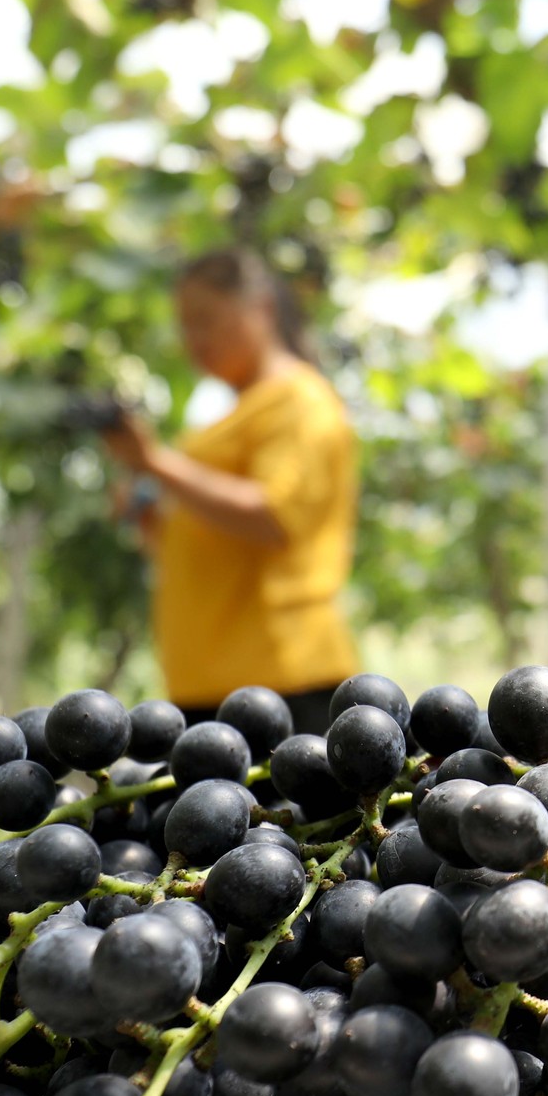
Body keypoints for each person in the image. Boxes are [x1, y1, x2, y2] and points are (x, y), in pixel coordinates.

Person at [101, 248, 360, 733]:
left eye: (204, 319)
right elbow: (203, 547)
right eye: (183, 325)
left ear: (260, 309)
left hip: (283, 685)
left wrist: (156, 462)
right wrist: (151, 520)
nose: (192, 339)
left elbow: (273, 516)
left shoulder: (299, 400)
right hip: (210, 689)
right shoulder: (231, 416)